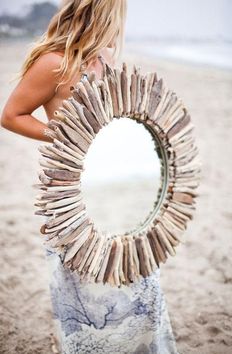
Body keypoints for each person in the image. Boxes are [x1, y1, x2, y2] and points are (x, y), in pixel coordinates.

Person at [0, 1, 180, 353]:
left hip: (114, 192)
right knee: (87, 298)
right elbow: (11, 114)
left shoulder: (107, 60)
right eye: (119, 15)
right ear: (104, 14)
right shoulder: (55, 62)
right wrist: (65, 134)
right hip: (73, 196)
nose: (120, 25)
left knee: (137, 281)